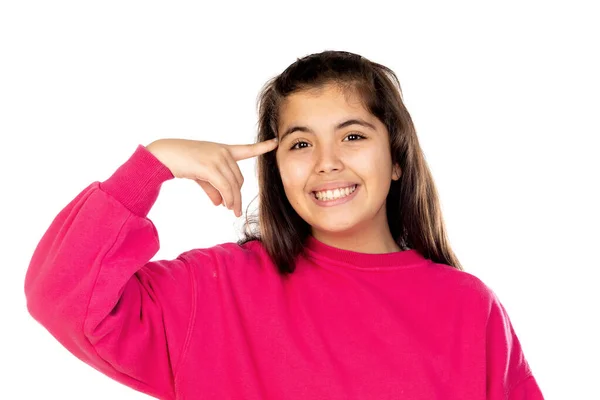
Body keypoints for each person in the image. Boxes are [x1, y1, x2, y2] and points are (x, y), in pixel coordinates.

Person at [24, 50, 544, 399]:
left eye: (354, 136)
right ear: (278, 169)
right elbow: (61, 296)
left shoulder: (469, 309)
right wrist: (152, 167)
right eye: (299, 144)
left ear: (397, 158)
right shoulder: (210, 292)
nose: (326, 162)